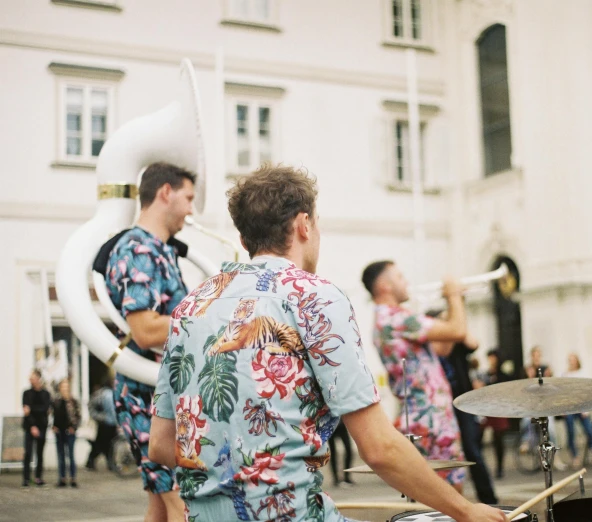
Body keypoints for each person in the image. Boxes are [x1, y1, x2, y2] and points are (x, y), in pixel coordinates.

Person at [149, 165, 505, 522]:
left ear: (245, 241)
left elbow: (161, 446)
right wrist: (466, 511)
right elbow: (379, 449)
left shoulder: (191, 307)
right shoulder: (315, 297)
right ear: (305, 225)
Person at [104, 162, 194, 521]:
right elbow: (145, 330)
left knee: (161, 506)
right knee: (181, 505)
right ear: (166, 192)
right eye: (188, 198)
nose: (191, 209)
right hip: (149, 396)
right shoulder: (138, 248)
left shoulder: (157, 248)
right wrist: (207, 319)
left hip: (156, 393)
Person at [363, 260, 470, 492]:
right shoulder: (396, 319)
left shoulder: (390, 320)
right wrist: (454, 295)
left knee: (442, 497)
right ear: (385, 286)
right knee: (449, 496)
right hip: (430, 419)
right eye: (400, 277)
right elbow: (458, 331)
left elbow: (443, 348)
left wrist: (455, 302)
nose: (407, 282)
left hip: (429, 416)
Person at [430, 310, 499, 504]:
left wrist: (453, 320)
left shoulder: (457, 341)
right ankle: (445, 501)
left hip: (462, 403)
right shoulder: (431, 344)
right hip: (439, 406)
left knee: (472, 450)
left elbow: (473, 343)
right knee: (442, 454)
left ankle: (489, 499)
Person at [561, 353, 592, 468]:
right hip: (569, 408)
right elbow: (562, 393)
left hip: (581, 407)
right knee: (571, 433)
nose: (571, 362)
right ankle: (575, 457)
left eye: (573, 360)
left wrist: (586, 408)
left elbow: (586, 392)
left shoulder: (582, 373)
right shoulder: (565, 374)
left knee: (590, 431)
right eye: (569, 360)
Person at [480, 350, 512, 479]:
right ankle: (479, 467)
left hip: (498, 408)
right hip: (487, 409)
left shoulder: (502, 374)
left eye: (492, 358)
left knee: (498, 439)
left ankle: (499, 468)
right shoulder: (486, 374)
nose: (491, 360)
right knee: (478, 437)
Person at [22, 369, 51, 487]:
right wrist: (33, 426)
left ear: (38, 378)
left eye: (32, 377)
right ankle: (26, 478)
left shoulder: (46, 394)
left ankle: (38, 477)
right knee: (28, 453)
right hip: (30, 427)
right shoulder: (27, 393)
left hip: (42, 426)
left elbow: (47, 410)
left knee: (40, 453)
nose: (30, 379)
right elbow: (26, 412)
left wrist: (32, 409)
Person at [52, 379, 81, 487]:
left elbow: (78, 416)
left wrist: (74, 428)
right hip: (59, 432)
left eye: (66, 387)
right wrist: (54, 427)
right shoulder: (57, 401)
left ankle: (73, 478)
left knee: (71, 455)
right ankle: (62, 478)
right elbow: (54, 415)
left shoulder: (73, 402)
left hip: (70, 432)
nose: (64, 389)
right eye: (62, 387)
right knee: (61, 456)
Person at [86, 379, 117, 471]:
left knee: (103, 445)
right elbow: (112, 411)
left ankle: (94, 462)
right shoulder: (108, 394)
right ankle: (107, 463)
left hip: (105, 423)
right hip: (107, 424)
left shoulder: (103, 393)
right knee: (104, 445)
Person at [327, 421, 354, 488]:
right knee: (333, 452)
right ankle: (336, 478)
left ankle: (347, 476)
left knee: (349, 450)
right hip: (330, 425)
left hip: (341, 424)